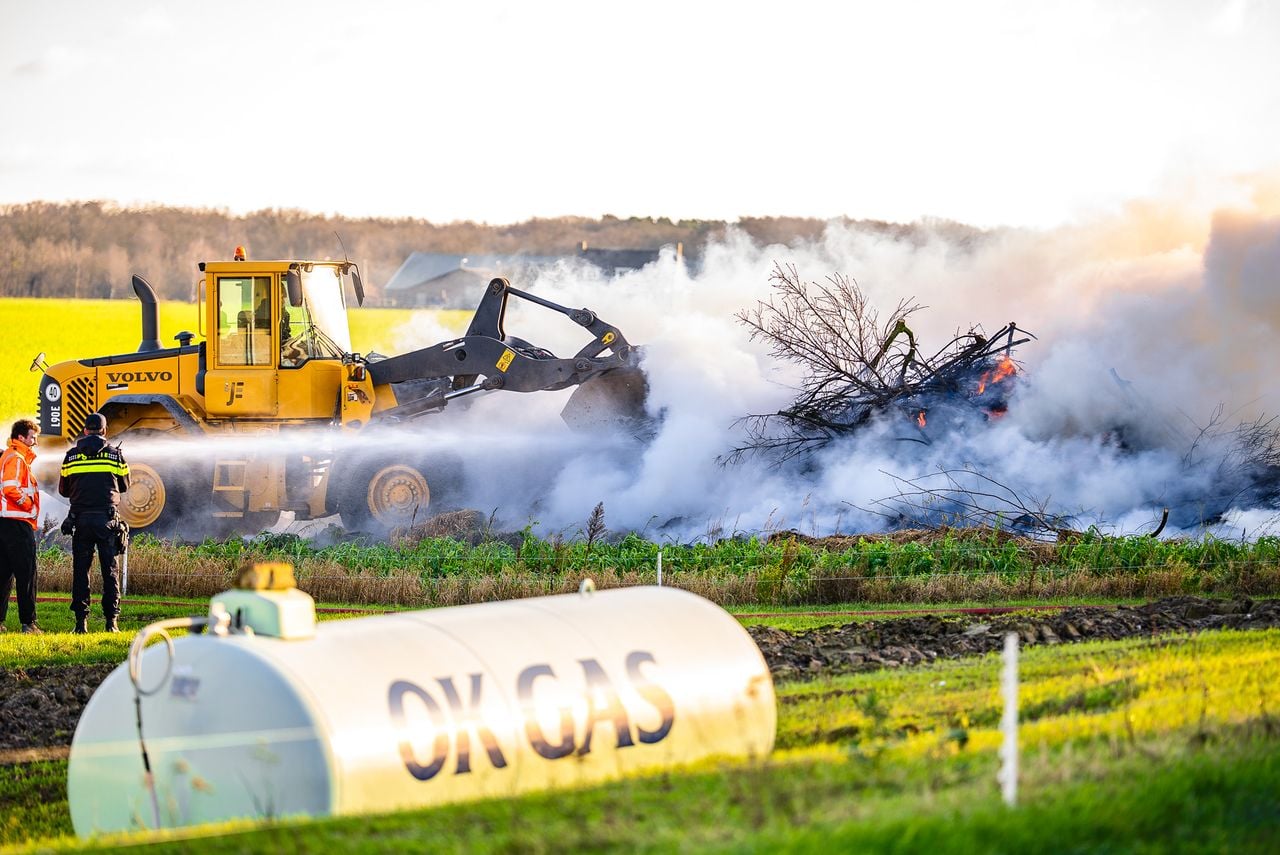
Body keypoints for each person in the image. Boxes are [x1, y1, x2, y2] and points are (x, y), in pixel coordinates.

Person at [58, 412, 129, 634]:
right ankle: (111, 623)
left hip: (80, 520)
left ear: (85, 430)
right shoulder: (115, 456)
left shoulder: (70, 456)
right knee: (110, 572)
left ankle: (81, 625)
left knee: (81, 572)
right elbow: (125, 486)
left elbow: (63, 490)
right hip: (107, 521)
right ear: (104, 431)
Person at [0, 419, 42, 634]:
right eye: (32, 437)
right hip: (17, 523)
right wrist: (29, 506)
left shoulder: (7, 455)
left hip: (3, 523)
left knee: (3, 574)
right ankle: (29, 623)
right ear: (20, 438)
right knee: (27, 574)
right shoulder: (16, 459)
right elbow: (10, 488)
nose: (35, 442)